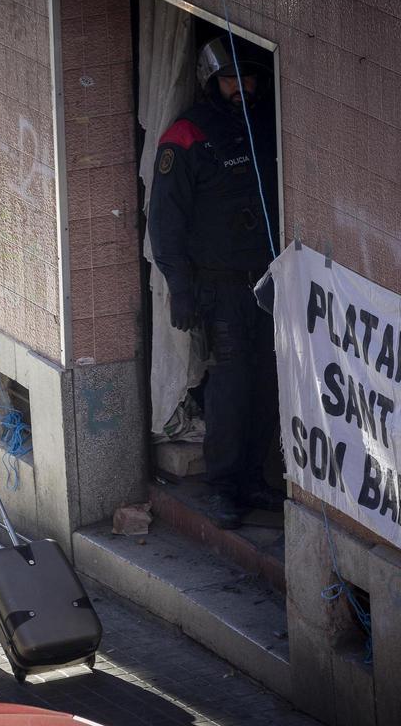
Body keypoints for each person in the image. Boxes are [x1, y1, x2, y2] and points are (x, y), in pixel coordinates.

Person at [147, 34, 283, 531]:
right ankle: (224, 485)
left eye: (247, 78)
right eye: (230, 79)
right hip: (219, 287)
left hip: (268, 282)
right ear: (211, 81)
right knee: (230, 383)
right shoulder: (186, 135)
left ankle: (252, 477)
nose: (241, 87)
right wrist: (180, 289)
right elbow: (165, 221)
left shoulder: (270, 123)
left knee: (266, 380)